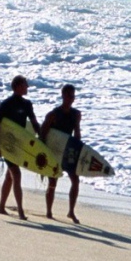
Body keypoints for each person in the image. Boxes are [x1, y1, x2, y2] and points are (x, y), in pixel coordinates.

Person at [0, 75, 41, 220]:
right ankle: (20, 211)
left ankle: (1, 207)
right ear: (17, 86)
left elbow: (34, 122)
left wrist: (41, 139)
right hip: (6, 145)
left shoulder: (27, 104)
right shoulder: (6, 104)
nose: (28, 87)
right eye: (25, 84)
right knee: (16, 174)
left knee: (10, 176)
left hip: (18, 145)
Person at [41, 83, 82, 223]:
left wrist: (76, 125)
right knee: (53, 181)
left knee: (75, 180)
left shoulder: (76, 114)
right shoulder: (53, 115)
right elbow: (43, 135)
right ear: (63, 96)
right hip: (54, 151)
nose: (72, 99)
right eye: (70, 96)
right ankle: (48, 212)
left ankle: (71, 211)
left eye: (73, 96)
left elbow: (77, 136)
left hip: (69, 151)